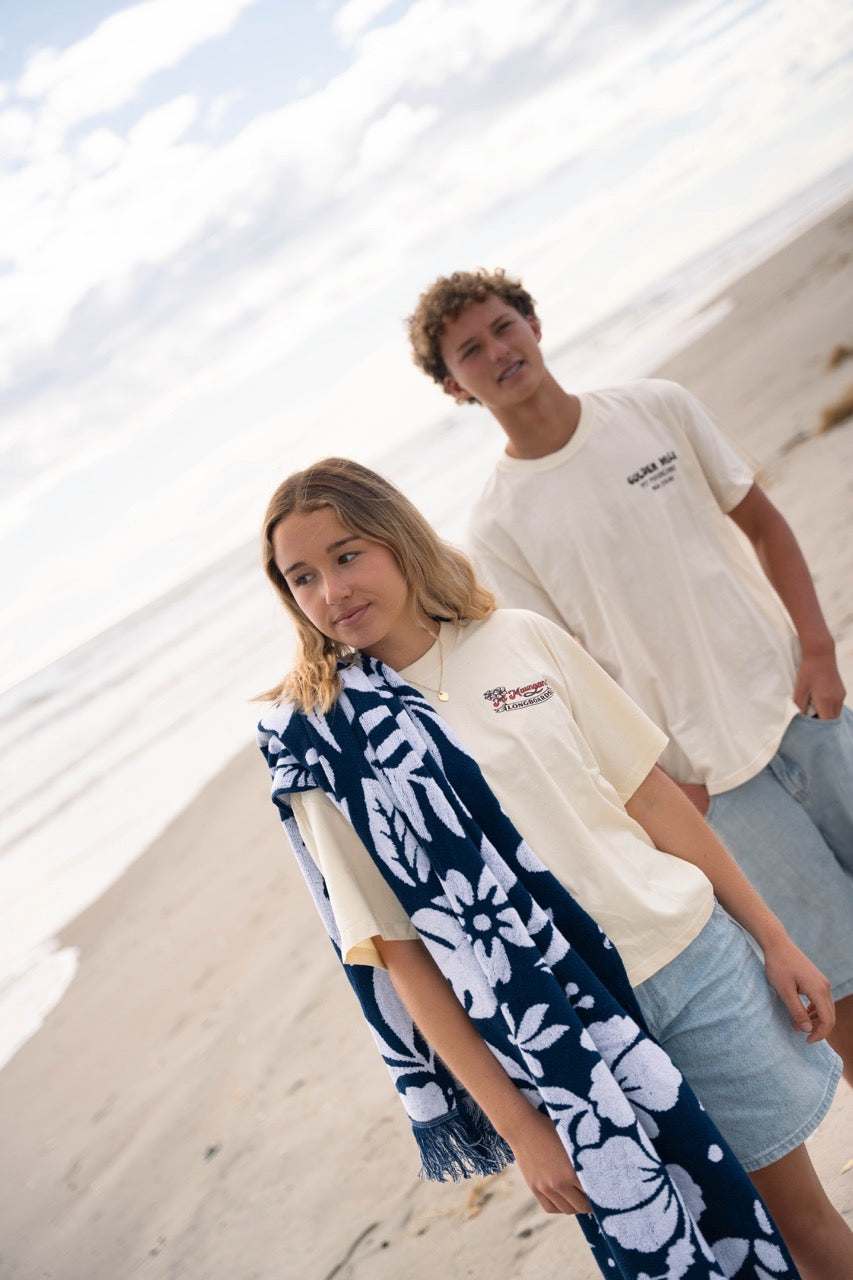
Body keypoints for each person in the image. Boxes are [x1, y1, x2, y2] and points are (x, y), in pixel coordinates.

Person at [256, 457, 851, 1278]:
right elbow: (404, 959)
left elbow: (652, 802)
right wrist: (522, 1129)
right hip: (568, 1044)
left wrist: (774, 938)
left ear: (397, 539)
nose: (331, 590)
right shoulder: (331, 753)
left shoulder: (517, 639)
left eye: (347, 554)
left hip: (690, 963)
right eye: (302, 577)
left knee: (802, 1226)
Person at [405, 268, 853, 1089]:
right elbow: (560, 679)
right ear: (451, 385)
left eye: (504, 326)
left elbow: (762, 523)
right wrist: (669, 793)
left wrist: (817, 649)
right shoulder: (498, 526)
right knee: (834, 985)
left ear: (533, 322)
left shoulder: (656, 407)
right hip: (708, 784)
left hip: (803, 710)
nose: (498, 351)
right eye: (469, 350)